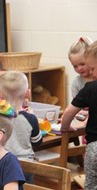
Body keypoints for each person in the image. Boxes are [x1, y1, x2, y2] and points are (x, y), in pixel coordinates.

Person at [61, 40, 97, 190]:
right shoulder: (79, 83)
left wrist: (65, 126)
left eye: (92, 68)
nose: (92, 73)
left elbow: (69, 112)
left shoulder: (90, 87)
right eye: (75, 66)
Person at [0, 71, 43, 183]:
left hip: (2, 163)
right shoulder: (31, 118)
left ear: (0, 95)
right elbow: (37, 142)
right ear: (27, 93)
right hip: (25, 166)